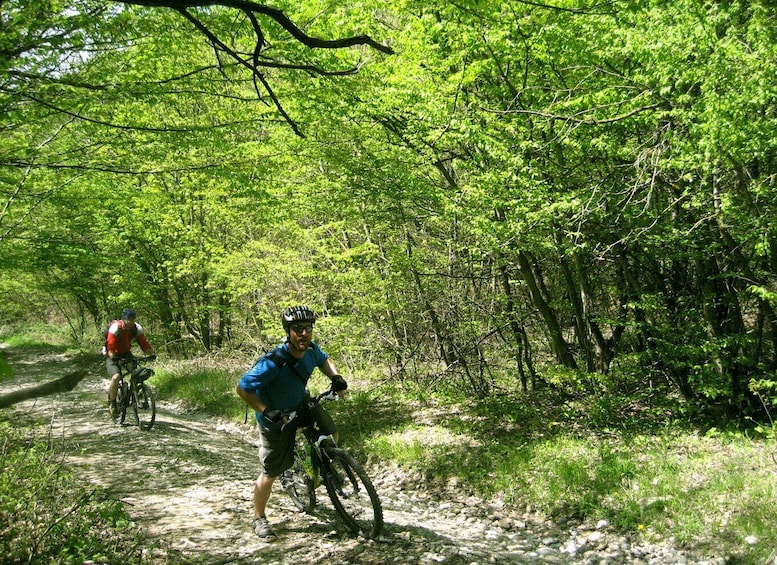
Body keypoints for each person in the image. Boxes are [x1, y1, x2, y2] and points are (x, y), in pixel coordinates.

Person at [236, 305, 348, 539]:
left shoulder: (311, 351)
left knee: (331, 434)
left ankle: (318, 468)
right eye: (297, 329)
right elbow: (243, 388)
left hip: (300, 404)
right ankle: (258, 518)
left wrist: (335, 377)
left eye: (307, 328)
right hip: (276, 417)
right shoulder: (272, 362)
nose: (304, 333)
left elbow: (324, 360)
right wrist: (266, 410)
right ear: (288, 332)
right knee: (272, 470)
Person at [105, 308, 155, 417]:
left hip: (126, 353)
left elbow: (144, 344)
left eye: (133, 320)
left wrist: (151, 354)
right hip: (111, 353)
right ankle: (112, 403)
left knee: (135, 372)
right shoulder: (115, 328)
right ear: (123, 319)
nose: (131, 322)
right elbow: (110, 347)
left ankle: (137, 394)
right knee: (116, 377)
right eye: (129, 320)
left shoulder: (136, 328)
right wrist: (115, 359)